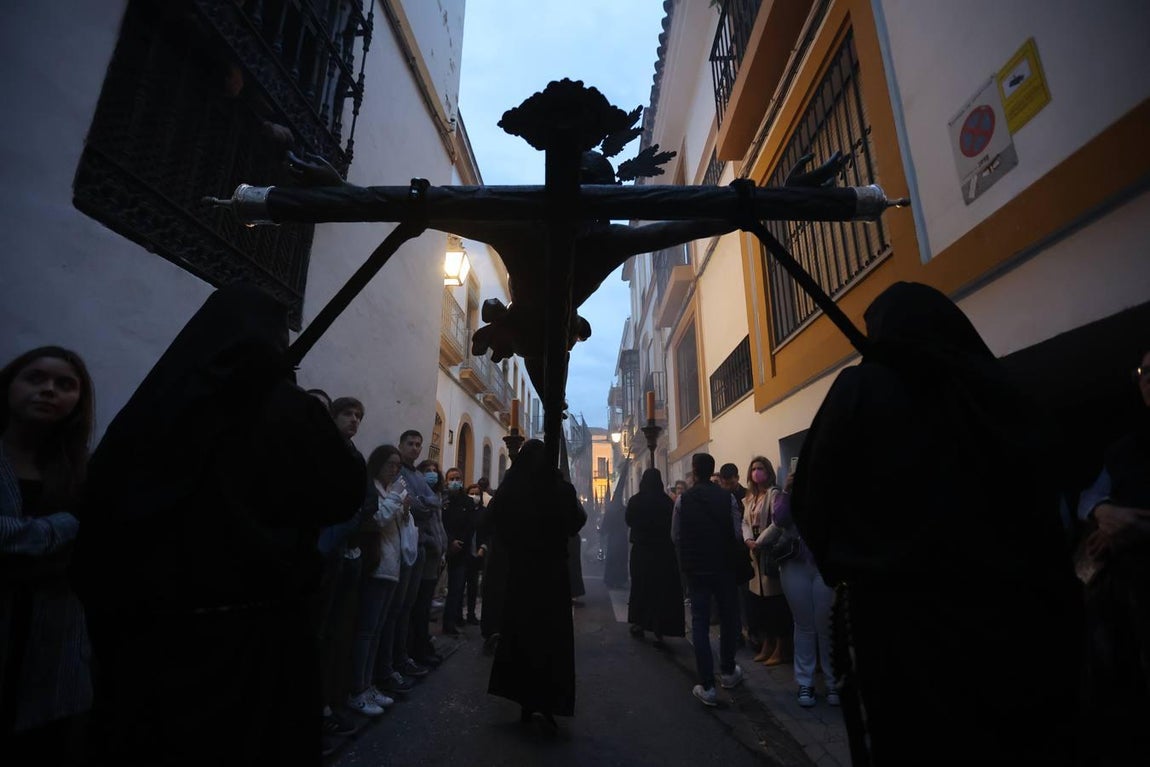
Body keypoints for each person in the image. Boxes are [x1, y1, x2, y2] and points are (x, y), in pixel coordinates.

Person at [73, 284, 365, 766]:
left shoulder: (162, 396)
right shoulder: (290, 411)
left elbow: (105, 503)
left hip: (151, 643)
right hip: (257, 640)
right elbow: (344, 493)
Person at [790, 282, 1081, 765]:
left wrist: (851, 565)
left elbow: (814, 497)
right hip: (1018, 624)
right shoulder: (997, 391)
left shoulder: (862, 389)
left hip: (901, 625)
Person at [1, 347, 94, 764]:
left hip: (52, 653)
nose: (48, 391)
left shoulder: (75, 471)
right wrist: (64, 527)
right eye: (35, 379)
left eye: (64, 384)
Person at [1075, 347, 1150, 766]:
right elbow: (1089, 494)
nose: (1148, 378)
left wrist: (1138, 528)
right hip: (1121, 606)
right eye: (1143, 371)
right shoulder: (1126, 446)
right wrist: (1104, 514)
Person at [487, 439, 586, 731]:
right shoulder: (558, 488)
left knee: (521, 634)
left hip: (520, 573)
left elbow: (495, 524)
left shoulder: (511, 489)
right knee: (550, 636)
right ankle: (549, 699)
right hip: (552, 574)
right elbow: (576, 522)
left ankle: (523, 698)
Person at [673, 453, 744, 707]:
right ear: (712, 470)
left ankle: (707, 685)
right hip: (724, 567)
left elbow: (676, 536)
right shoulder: (728, 499)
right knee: (728, 618)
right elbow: (737, 534)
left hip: (696, 569)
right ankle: (727, 671)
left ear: (694, 471)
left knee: (700, 623)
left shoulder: (683, 500)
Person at [347, 445, 406, 718]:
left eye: (397, 465)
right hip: (376, 567)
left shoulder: (388, 491)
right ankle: (356, 689)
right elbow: (378, 519)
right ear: (379, 463)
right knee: (366, 631)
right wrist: (395, 500)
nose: (394, 469)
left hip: (391, 567)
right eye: (390, 464)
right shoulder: (373, 489)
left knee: (377, 630)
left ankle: (368, 684)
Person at [771, 472, 836, 708]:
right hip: (795, 566)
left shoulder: (830, 495)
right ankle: (805, 681)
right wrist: (789, 492)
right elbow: (778, 519)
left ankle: (833, 682)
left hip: (824, 565)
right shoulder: (785, 498)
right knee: (804, 624)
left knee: (826, 625)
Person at [625, 468, 685, 646]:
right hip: (662, 553)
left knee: (640, 588)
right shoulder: (667, 502)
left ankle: (639, 623)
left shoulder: (635, 501)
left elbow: (628, 520)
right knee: (660, 591)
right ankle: (659, 626)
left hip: (641, 552)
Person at [440, 467, 476, 635]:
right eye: (451, 478)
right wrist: (448, 541)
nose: (455, 481)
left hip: (460, 551)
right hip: (441, 547)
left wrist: (458, 543)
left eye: (457, 478)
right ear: (446, 481)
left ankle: (450, 622)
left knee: (456, 589)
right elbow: (440, 522)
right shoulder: (442, 499)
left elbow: (469, 526)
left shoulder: (467, 502)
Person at [464, 483, 486, 625]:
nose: (474, 496)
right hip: (463, 552)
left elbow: (488, 531)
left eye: (476, 494)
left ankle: (471, 614)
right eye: (471, 493)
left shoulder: (484, 512)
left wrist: (483, 547)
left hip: (477, 553)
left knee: (473, 586)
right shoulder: (465, 510)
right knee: (460, 586)